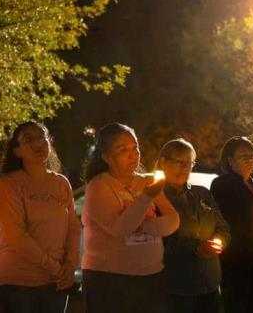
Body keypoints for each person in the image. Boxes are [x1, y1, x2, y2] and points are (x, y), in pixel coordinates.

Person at [81, 123, 179, 313]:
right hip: (110, 280)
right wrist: (146, 197)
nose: (133, 154)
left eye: (135, 147)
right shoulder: (99, 186)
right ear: (107, 157)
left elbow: (173, 220)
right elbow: (120, 229)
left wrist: (145, 227)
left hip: (150, 276)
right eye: (123, 150)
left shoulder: (146, 181)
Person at [0, 121, 81, 313]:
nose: (38, 142)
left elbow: (73, 227)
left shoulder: (61, 183)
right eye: (29, 139)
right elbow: (16, 236)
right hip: (18, 283)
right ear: (17, 151)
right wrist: (56, 269)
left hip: (56, 283)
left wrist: (70, 266)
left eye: (42, 137)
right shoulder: (8, 185)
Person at [156, 138, 230, 313]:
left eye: (189, 163)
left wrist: (217, 242)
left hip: (210, 281)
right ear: (163, 162)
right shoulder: (155, 197)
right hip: (176, 284)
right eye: (179, 162)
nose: (185, 168)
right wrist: (196, 248)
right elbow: (157, 238)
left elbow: (223, 227)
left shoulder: (202, 193)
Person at [210, 136, 253, 313]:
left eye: (251, 155)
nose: (249, 159)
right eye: (243, 156)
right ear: (230, 161)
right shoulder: (222, 185)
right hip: (237, 260)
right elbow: (227, 219)